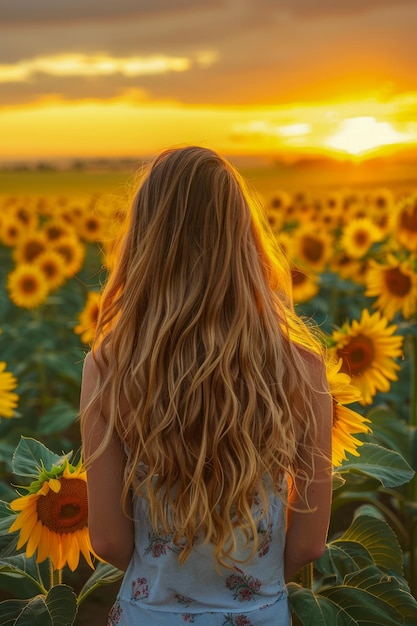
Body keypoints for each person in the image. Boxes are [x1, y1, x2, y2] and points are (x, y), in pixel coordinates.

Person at [79, 145, 332, 626]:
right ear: (243, 238)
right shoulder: (301, 366)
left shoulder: (109, 366)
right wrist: (253, 589)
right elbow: (309, 542)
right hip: (258, 613)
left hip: (148, 614)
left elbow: (109, 541)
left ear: (146, 241)